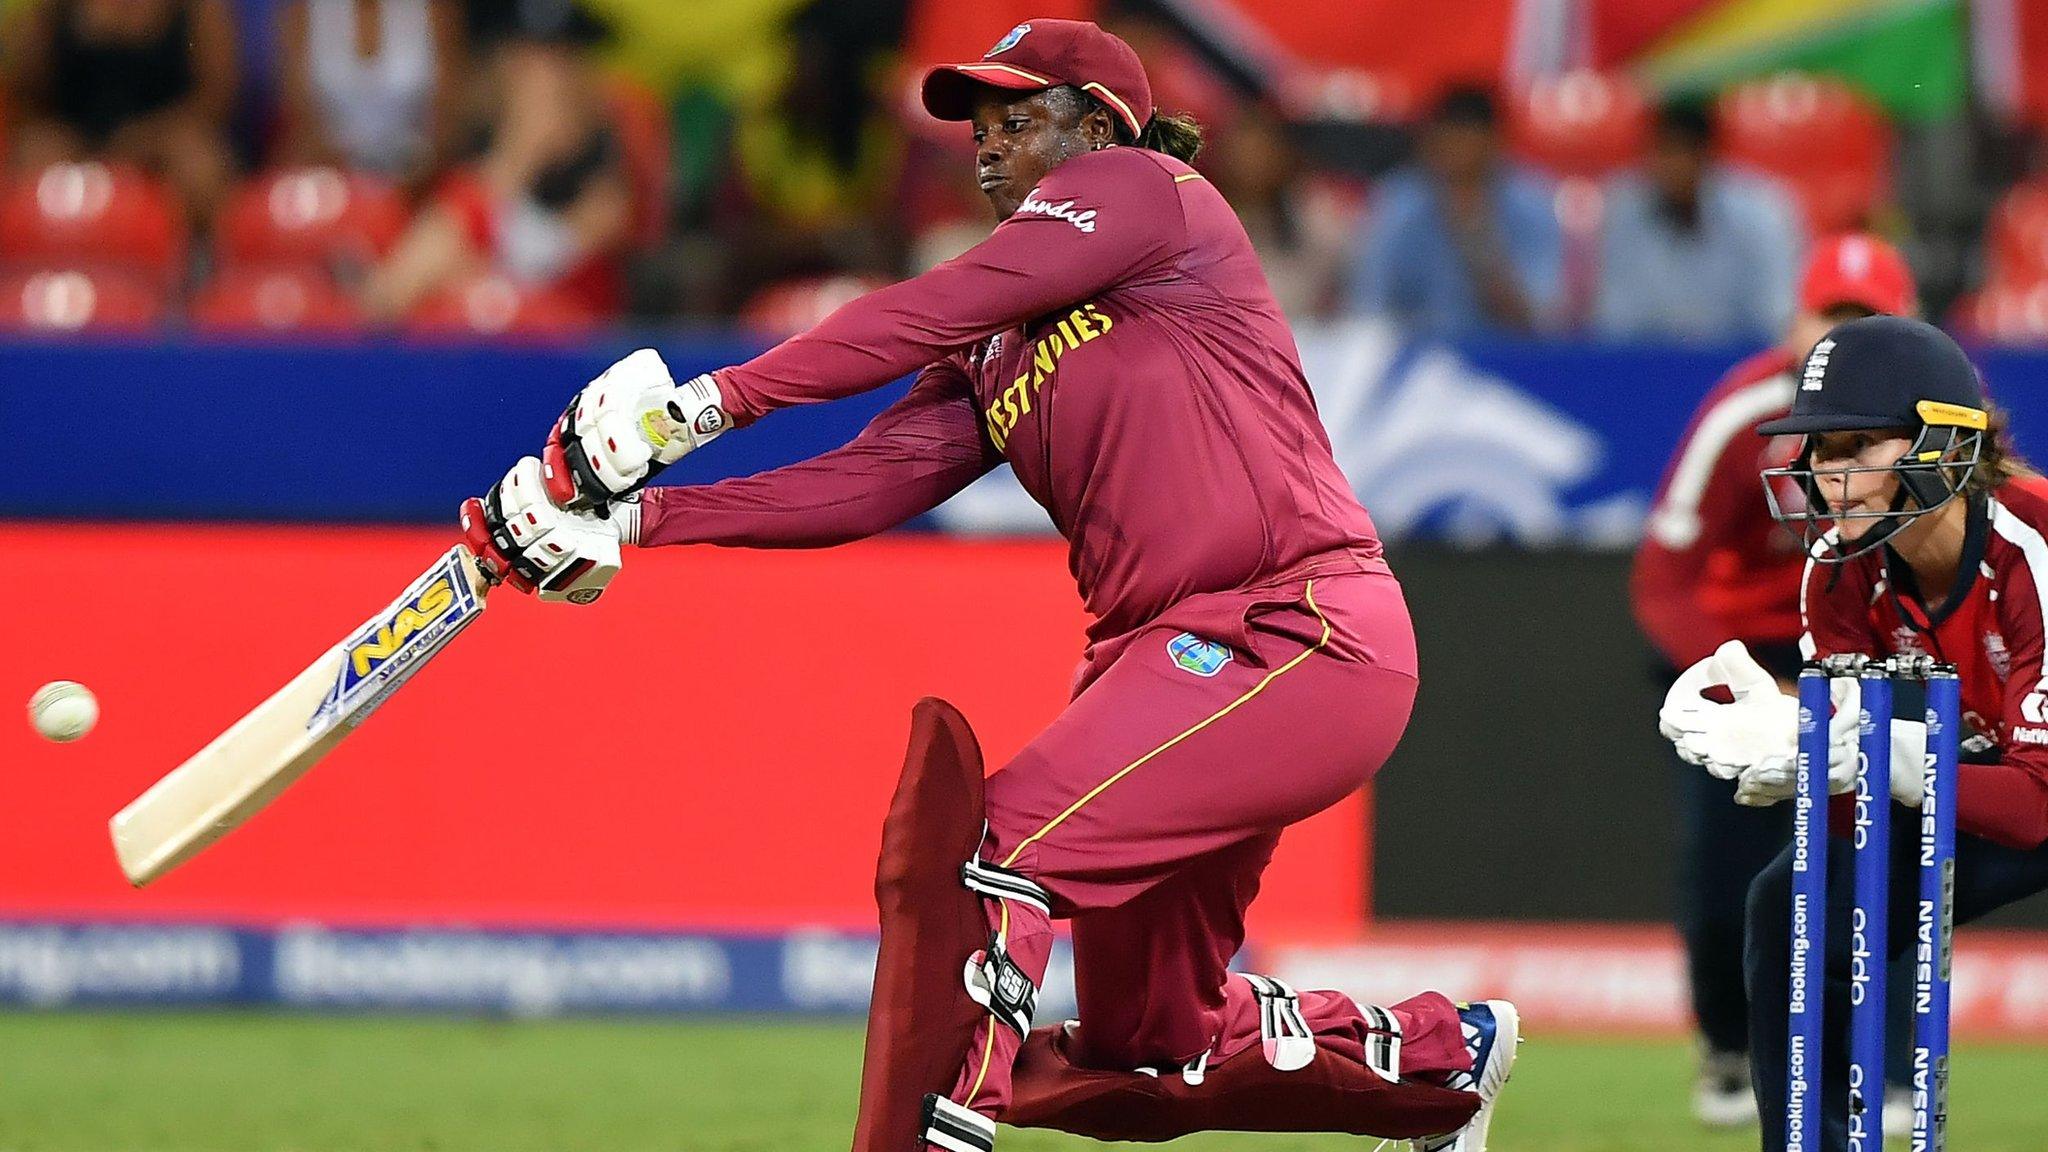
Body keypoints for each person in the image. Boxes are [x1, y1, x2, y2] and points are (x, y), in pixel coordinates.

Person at [455, 18, 1518, 1152]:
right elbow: (868, 483)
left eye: (1021, 119)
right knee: (1145, 1053)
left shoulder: (1149, 192)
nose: (987, 146)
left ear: (1100, 123)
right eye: (978, 126)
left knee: (993, 845)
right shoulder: (999, 339)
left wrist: (698, 407)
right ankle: (1443, 1063)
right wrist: (637, 521)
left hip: (1292, 629)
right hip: (1167, 664)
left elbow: (918, 307)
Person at [1658, 315, 2048, 1151]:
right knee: (1796, 899)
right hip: (1993, 768)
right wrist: (1809, 763)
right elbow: (1851, 823)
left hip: (2036, 784)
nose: (1829, 478)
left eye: (1858, 447)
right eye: (1821, 450)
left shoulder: (2032, 545)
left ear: (1946, 444)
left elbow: (2035, 810)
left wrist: (1877, 752)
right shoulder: (1840, 571)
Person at [1632, 234, 1918, 1128]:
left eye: (1867, 321)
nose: (1845, 338)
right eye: (1832, 316)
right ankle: (1725, 1045)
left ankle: (1893, 1060)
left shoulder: (1939, 421)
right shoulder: (1745, 412)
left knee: (1888, 858)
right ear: (1797, 321)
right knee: (1727, 873)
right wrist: (1733, 681)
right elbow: (1667, 574)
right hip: (1752, 655)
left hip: (1869, 652)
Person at [357, 0, 629, 322]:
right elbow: (387, 296)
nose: (552, 85)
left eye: (567, 60)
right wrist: (517, 156)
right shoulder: (467, 168)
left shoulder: (607, 176)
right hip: (475, 364)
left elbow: (568, 259)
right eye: (529, 68)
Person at [1342, 84, 1562, 337]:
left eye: (1467, 137)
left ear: (1494, 141)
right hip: (1416, 358)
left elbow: (1541, 318)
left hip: (1507, 359)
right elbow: (1368, 306)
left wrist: (1473, 230)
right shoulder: (1399, 202)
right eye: (1448, 136)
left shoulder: (1531, 204)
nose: (1456, 150)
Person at [1, 0, 239, 230]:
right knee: (35, 152)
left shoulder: (199, 7)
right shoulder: (56, 8)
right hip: (77, 139)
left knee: (199, 166)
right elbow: (27, 92)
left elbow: (215, 95)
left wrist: (144, 140)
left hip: (165, 138)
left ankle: (197, 264)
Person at [1593, 101, 1804, 343]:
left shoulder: (1761, 214)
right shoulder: (1625, 212)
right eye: (1664, 153)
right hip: (1651, 366)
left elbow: (1778, 320)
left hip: (1741, 363)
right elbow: (1615, 325)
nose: (1673, 167)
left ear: (1707, 156)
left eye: (1683, 152)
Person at [275, 0, 465, 186]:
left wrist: (415, 171)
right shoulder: (304, 10)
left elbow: (447, 112)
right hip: (330, 177)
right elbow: (300, 115)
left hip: (418, 178)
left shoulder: (433, 7)